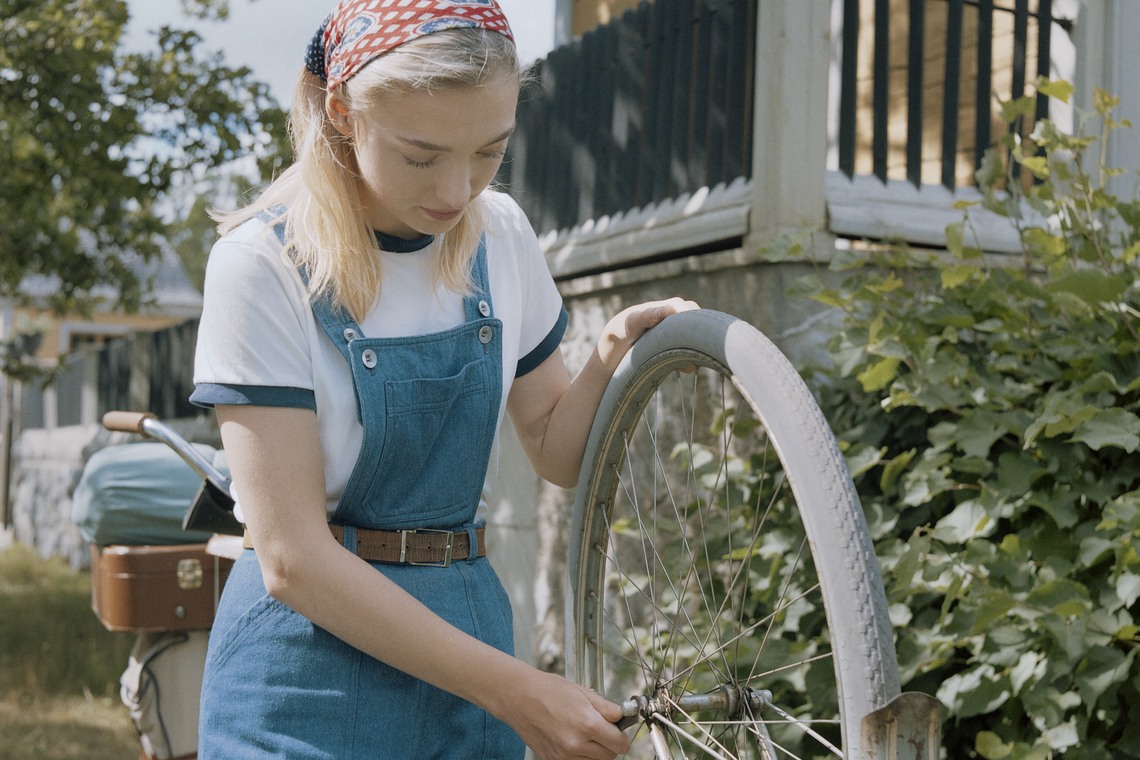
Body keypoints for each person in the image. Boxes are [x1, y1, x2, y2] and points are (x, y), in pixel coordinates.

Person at [190, 1, 696, 757]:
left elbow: (556, 453)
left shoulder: (502, 234)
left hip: (470, 649)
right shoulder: (261, 267)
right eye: (421, 156)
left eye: (489, 152)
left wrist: (610, 350)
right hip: (304, 679)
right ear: (341, 111)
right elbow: (293, 560)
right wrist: (519, 690)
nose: (457, 191)